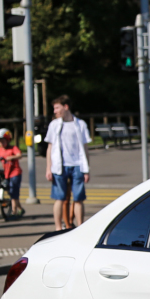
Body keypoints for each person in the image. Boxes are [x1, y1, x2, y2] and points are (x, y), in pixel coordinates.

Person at [44, 95, 91, 230]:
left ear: (66, 107)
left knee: (78, 198)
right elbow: (50, 148)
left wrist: (87, 169)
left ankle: (80, 227)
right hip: (59, 166)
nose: (55, 111)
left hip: (78, 166)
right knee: (59, 198)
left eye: (57, 108)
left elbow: (85, 148)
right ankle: (58, 228)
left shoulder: (80, 124)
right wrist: (49, 168)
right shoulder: (54, 125)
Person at [0, 128, 23, 217]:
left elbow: (19, 155)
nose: (1, 143)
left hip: (15, 173)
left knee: (13, 191)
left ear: (8, 140)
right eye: (0, 141)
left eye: (3, 141)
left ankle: (14, 212)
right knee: (11, 192)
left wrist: (11, 157)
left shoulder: (13, 148)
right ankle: (20, 209)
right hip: (6, 174)